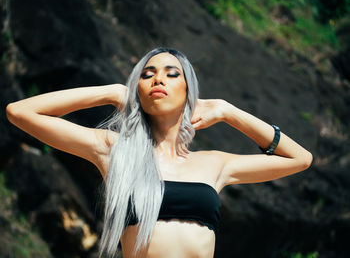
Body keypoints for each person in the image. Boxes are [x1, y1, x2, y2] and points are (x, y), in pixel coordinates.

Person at [6, 47, 313, 258]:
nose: (158, 78)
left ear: (188, 91)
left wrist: (228, 111)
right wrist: (111, 92)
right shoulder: (115, 151)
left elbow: (299, 159)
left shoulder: (214, 163)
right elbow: (20, 112)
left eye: (171, 73)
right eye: (147, 73)